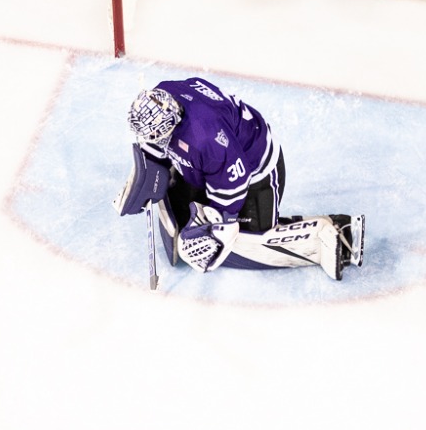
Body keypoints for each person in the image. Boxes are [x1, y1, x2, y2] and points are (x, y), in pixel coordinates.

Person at [118, 76, 364, 280]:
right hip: (214, 161)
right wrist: (148, 171)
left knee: (240, 240)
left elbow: (234, 184)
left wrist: (219, 226)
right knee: (187, 218)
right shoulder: (163, 94)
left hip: (256, 172)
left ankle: (331, 237)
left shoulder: (207, 138)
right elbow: (156, 139)